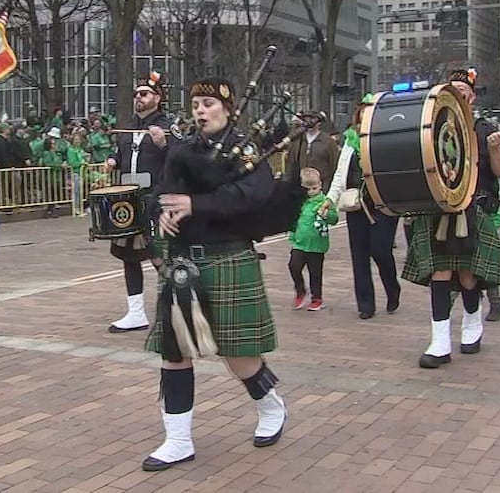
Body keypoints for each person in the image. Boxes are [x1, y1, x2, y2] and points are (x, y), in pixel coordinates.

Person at [142, 76, 288, 471]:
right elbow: (161, 192)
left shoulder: (246, 151)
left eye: (208, 104)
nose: (201, 111)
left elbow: (251, 196)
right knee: (176, 354)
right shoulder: (182, 151)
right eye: (196, 105)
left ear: (228, 108)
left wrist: (196, 204)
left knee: (239, 356)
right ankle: (177, 440)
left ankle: (271, 407)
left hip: (228, 258)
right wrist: (162, 215)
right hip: (183, 263)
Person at [402, 67, 500, 369]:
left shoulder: (484, 129)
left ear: (472, 97)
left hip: (473, 208)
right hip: (437, 209)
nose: (459, 97)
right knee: (440, 272)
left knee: (467, 274)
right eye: (454, 92)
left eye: (464, 93)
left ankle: (472, 324)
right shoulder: (430, 128)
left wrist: (495, 149)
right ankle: (439, 342)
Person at [103, 72, 171, 333]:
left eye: (144, 94)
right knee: (128, 256)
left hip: (155, 200)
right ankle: (136, 313)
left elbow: (178, 158)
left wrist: (164, 144)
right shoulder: (127, 127)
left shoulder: (166, 126)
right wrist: (112, 161)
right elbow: (119, 153)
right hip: (128, 200)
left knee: (159, 255)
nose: (138, 98)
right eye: (136, 94)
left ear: (157, 97)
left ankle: (177, 307)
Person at [325, 92, 402, 319]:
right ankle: (365, 304)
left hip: (382, 204)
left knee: (380, 251)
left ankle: (392, 288)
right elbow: (340, 174)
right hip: (356, 205)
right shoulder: (349, 141)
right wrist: (330, 199)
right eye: (362, 113)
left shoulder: (386, 139)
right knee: (359, 256)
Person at [289, 168, 337, 311]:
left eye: (314, 188)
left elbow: (334, 219)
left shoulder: (325, 202)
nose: (311, 192)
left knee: (315, 272)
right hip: (299, 243)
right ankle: (300, 290)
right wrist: (292, 235)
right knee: (293, 266)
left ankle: (317, 298)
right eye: (307, 189)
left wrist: (326, 215)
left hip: (317, 245)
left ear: (320, 185)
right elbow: (294, 219)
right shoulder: (300, 202)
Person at [285, 111, 339, 192]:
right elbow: (290, 164)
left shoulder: (328, 142)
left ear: (319, 123)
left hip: (322, 189)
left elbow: (334, 166)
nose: (308, 122)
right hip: (299, 188)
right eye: (306, 119)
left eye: (312, 119)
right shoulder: (297, 140)